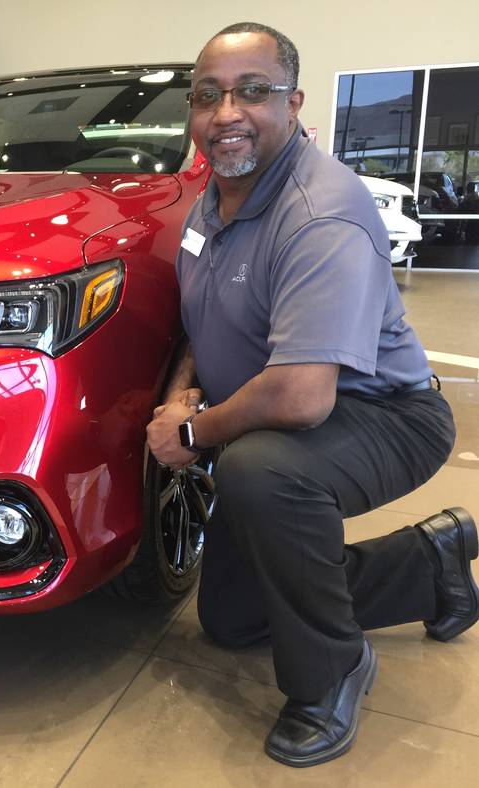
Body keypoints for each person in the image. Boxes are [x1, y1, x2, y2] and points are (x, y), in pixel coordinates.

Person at [146, 21, 478, 768]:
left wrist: (194, 436)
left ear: (292, 104)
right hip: (282, 419)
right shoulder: (214, 201)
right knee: (232, 619)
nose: (226, 111)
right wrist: (178, 399)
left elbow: (299, 397)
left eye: (251, 91)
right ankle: (432, 565)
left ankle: (331, 672)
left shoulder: (319, 210)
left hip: (387, 414)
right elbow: (202, 321)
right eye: (208, 96)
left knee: (258, 470)